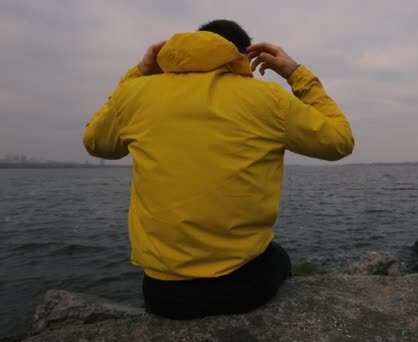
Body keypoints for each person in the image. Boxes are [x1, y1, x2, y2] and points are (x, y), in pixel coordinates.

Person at [83, 19, 354, 319]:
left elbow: (96, 143)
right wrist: (295, 72)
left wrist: (138, 73)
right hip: (242, 286)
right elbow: (339, 142)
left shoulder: (135, 94)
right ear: (240, 55)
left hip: (163, 294)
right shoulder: (268, 99)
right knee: (278, 257)